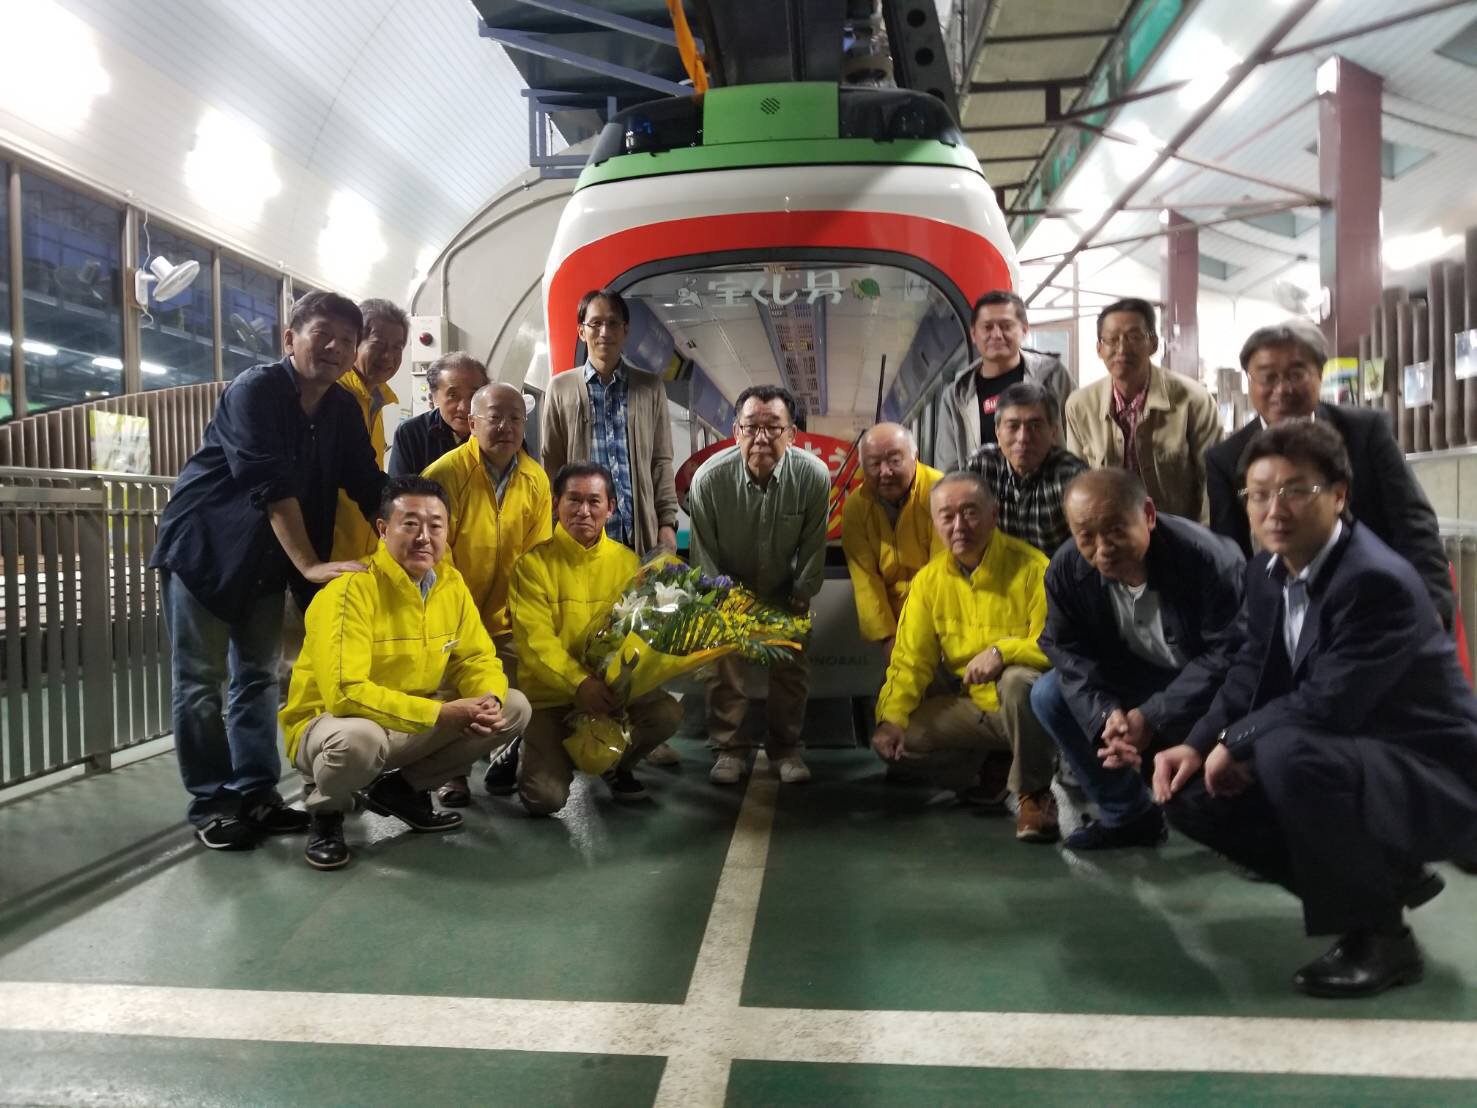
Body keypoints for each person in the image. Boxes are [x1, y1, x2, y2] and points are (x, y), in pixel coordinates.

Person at [1155, 421, 1477, 998]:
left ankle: (1380, 938)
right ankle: (1384, 881)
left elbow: (1328, 703)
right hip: (1359, 753)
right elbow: (1251, 668)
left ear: (1338, 495)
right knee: (1190, 794)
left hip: (1434, 773)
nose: (1275, 508)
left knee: (1285, 751)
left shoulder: (1373, 579)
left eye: (1296, 490)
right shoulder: (1268, 572)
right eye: (1259, 493)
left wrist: (1237, 742)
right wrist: (1198, 743)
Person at [150, 291, 387, 850]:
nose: (333, 347)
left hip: (264, 562)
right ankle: (212, 802)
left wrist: (412, 518)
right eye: (321, 334)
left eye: (346, 340)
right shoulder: (255, 390)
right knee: (200, 684)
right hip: (204, 551)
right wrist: (308, 563)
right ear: (290, 338)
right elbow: (269, 485)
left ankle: (257, 793)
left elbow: (365, 479)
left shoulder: (341, 409)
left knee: (256, 679)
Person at [280, 477, 532, 870]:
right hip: (332, 726)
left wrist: (488, 698)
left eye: (435, 525)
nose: (424, 536)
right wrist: (440, 714)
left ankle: (402, 791)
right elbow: (345, 694)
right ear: (383, 530)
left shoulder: (451, 585)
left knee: (513, 707)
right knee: (358, 739)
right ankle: (326, 814)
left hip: (408, 719)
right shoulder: (351, 591)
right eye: (410, 523)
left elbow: (476, 658)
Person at [1032, 469, 1244, 849]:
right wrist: (1105, 715)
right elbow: (1064, 647)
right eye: (1086, 536)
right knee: (1047, 694)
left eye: (1115, 530)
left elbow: (1229, 653)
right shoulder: (1065, 570)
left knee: (1208, 815)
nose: (1102, 548)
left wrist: (1152, 715)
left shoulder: (1207, 559)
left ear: (1148, 514)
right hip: (1133, 678)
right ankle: (1127, 816)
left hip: (1203, 683)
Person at [1206, 318, 1452, 628]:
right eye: (1267, 377)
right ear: (1250, 382)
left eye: (1296, 374)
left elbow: (1413, 523)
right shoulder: (1225, 458)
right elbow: (1232, 555)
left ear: (1319, 375)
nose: (1281, 389)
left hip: (1376, 600)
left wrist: (1434, 604)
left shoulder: (1366, 431)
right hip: (1284, 614)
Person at [871, 471, 1060, 842]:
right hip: (976, 709)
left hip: (1029, 710)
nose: (959, 526)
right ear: (935, 521)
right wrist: (890, 719)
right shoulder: (929, 582)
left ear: (994, 515)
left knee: (1018, 679)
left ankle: (1035, 795)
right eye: (947, 515)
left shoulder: (1034, 568)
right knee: (900, 742)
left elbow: (1057, 646)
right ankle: (993, 769)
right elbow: (911, 660)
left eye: (971, 513)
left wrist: (1002, 652)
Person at [542, 288, 682, 766]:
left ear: (626, 331)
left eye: (613, 323)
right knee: (585, 630)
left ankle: (643, 731)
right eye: (594, 323)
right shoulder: (561, 389)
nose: (603, 332)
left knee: (640, 632)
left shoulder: (648, 387)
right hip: (582, 534)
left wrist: (667, 522)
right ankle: (587, 723)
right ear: (581, 331)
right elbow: (552, 466)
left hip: (636, 532)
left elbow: (662, 460)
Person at [507, 462, 683, 815]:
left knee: (667, 713)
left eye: (594, 501)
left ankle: (616, 764)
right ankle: (519, 748)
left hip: (612, 696)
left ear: (611, 507)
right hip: (553, 699)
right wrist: (579, 684)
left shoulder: (627, 562)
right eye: (573, 500)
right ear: (556, 504)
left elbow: (641, 632)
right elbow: (535, 643)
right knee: (544, 799)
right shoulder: (532, 566)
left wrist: (625, 683)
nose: (583, 511)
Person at [689, 385, 830, 786]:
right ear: (736, 431)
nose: (761, 438)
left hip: (785, 590)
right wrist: (724, 608)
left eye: (773, 427)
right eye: (751, 427)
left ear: (792, 434)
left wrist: (802, 595)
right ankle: (729, 748)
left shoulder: (812, 476)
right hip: (728, 590)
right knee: (724, 662)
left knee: (792, 660)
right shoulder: (709, 481)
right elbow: (704, 558)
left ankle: (785, 747)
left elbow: (813, 547)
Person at [1065, 298, 1221, 522]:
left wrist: (1206, 541)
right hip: (1109, 532)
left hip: (1177, 536)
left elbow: (1211, 480)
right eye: (1111, 339)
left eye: (1134, 337)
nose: (1122, 348)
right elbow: (1077, 479)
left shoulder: (1193, 400)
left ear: (1153, 344)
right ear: (1099, 348)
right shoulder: (1080, 405)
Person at [934, 289, 1073, 473]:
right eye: (987, 327)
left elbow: (1077, 441)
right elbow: (948, 466)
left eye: (1006, 326)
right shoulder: (957, 394)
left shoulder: (1053, 377)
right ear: (974, 334)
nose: (997, 334)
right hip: (982, 497)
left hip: (1047, 495)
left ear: (1024, 330)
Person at [840, 423, 942, 657]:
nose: (885, 472)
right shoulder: (856, 506)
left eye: (895, 461)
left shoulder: (940, 492)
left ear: (915, 456)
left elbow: (943, 571)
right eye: (874, 464)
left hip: (938, 618)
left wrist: (922, 634)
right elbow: (865, 579)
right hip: (891, 621)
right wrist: (887, 637)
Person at [967, 380, 1088, 555]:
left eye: (1035, 426)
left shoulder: (1072, 477)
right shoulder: (980, 466)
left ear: (1053, 432)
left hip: (1053, 578)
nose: (1023, 437)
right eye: (1013, 426)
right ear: (997, 432)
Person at [330, 298, 408, 561]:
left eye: (397, 347)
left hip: (362, 550)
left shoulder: (377, 399)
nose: (388, 356)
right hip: (327, 551)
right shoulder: (333, 393)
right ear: (355, 343)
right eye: (378, 345)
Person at [388, 351, 489, 477]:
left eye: (473, 396)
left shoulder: (496, 432)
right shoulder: (410, 433)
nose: (464, 407)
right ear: (434, 397)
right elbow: (398, 491)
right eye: (453, 395)